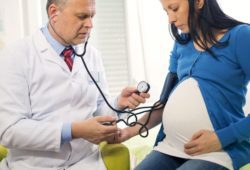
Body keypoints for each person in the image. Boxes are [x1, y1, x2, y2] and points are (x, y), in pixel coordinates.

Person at [0, 0, 149, 169]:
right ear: (53, 13)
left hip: (87, 163)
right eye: (82, 16)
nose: (90, 24)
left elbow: (99, 111)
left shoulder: (92, 55)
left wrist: (118, 105)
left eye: (92, 16)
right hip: (33, 165)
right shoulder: (16, 55)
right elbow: (9, 130)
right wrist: (74, 130)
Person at [115, 0, 250, 170]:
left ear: (199, 2)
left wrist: (221, 139)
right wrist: (129, 131)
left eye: (175, 8)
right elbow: (164, 102)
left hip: (219, 150)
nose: (170, 19)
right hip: (171, 146)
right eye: (166, 12)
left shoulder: (241, 36)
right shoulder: (182, 42)